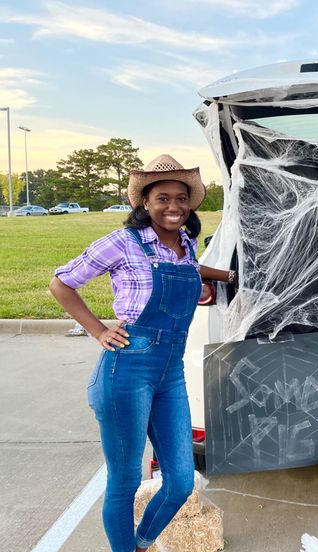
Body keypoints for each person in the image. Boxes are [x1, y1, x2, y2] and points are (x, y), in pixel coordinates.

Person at [49, 154, 235, 552]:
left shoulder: (184, 243)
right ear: (144, 203)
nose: (174, 206)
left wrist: (229, 276)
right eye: (163, 198)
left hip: (170, 373)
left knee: (181, 480)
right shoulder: (124, 242)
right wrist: (98, 329)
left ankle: (141, 543)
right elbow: (62, 283)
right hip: (126, 372)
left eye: (181, 198)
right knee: (125, 480)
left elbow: (192, 271)